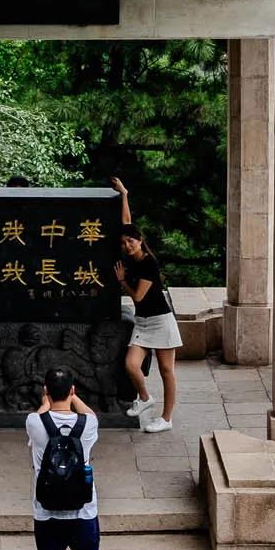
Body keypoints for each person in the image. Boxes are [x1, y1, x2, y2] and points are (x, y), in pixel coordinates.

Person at [26, 367, 117, 550]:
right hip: (84, 513)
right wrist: (75, 399)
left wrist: (46, 403)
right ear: (73, 391)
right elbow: (89, 413)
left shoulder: (34, 423)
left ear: (46, 391)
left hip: (47, 515)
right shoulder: (87, 425)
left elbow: (42, 412)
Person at [111, 176, 180, 433]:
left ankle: (166, 417)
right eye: (123, 243)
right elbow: (126, 223)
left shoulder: (148, 263)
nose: (127, 246)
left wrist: (121, 282)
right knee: (131, 364)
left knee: (166, 371)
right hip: (143, 322)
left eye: (131, 241)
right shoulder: (130, 257)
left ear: (140, 240)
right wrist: (124, 193)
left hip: (161, 320)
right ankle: (145, 398)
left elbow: (138, 297)